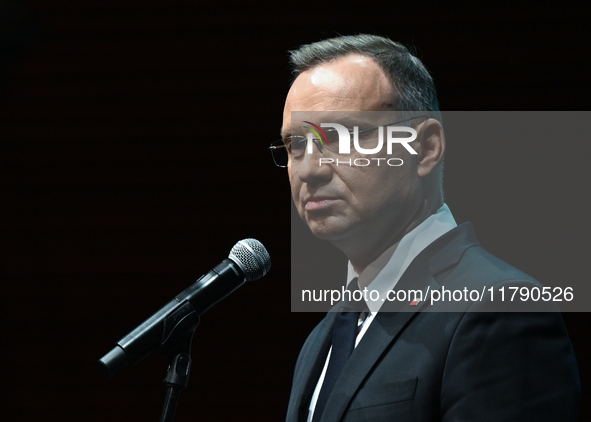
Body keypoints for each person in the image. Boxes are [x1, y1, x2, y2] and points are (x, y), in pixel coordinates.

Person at [270, 34, 580, 422]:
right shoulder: (325, 334)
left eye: (339, 136)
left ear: (426, 148)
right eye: (296, 144)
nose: (309, 169)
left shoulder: (500, 306)